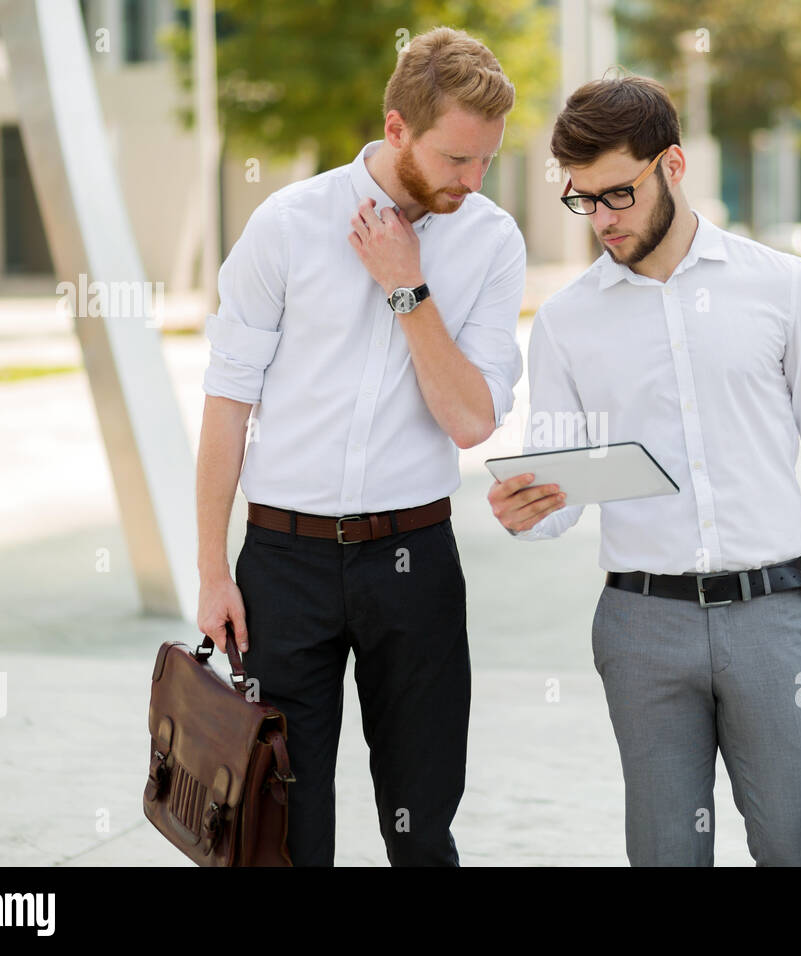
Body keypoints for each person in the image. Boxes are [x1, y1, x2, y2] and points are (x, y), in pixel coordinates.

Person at [488, 74, 801, 866]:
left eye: (618, 194)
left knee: (794, 848)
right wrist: (532, 509)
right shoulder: (568, 322)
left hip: (771, 617)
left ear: (672, 164)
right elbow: (565, 490)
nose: (601, 219)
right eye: (582, 201)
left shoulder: (778, 287)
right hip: (640, 628)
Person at [196, 26, 525, 866]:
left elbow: (470, 421)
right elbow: (226, 407)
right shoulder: (288, 225)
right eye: (457, 158)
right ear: (396, 128)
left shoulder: (490, 242)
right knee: (282, 827)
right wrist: (211, 572)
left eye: (486, 159)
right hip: (283, 561)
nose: (471, 179)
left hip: (413, 559)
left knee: (422, 826)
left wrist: (406, 287)